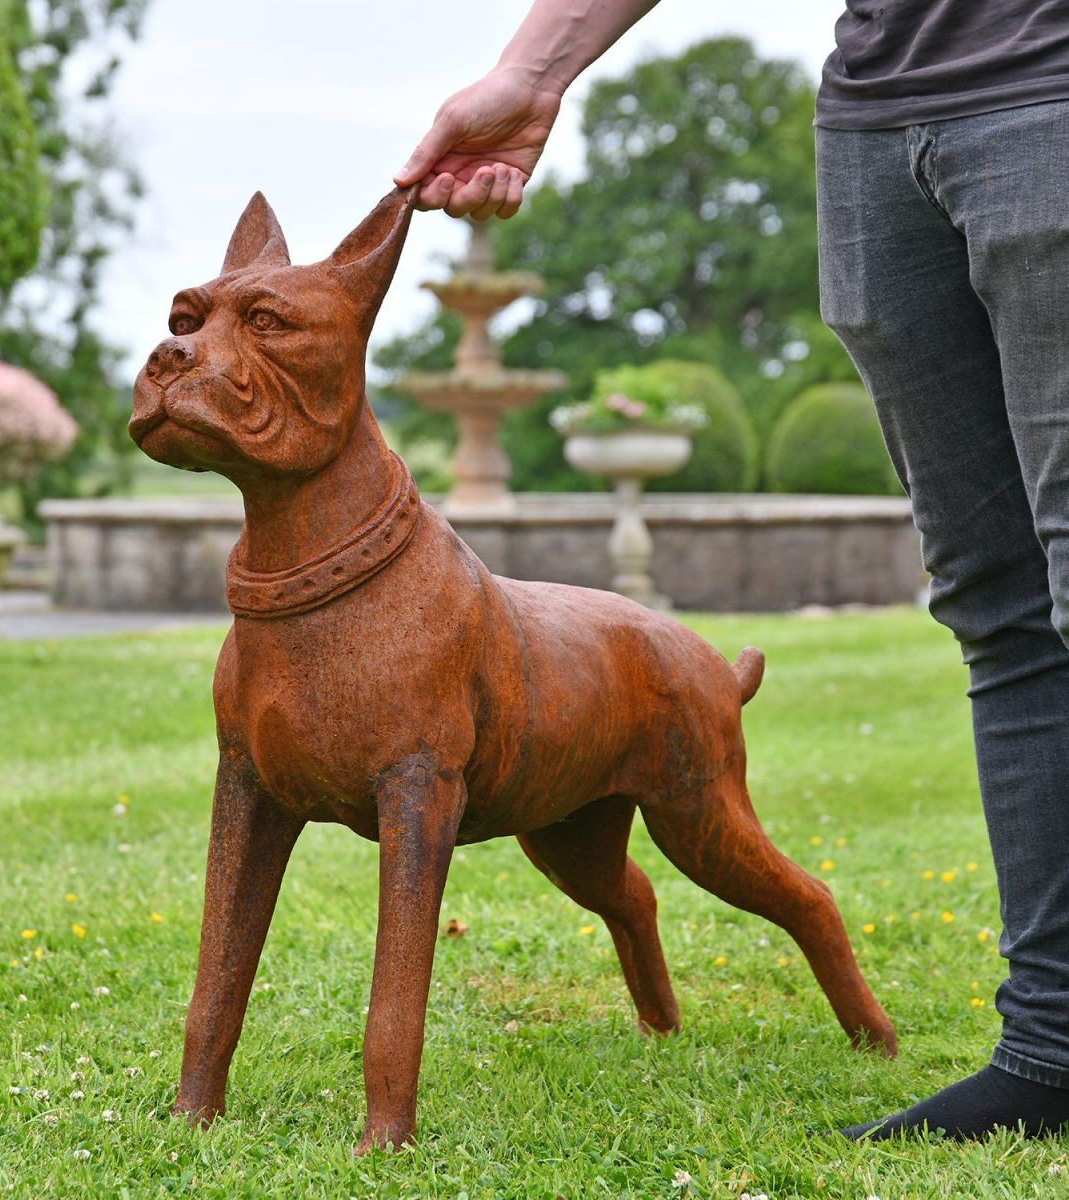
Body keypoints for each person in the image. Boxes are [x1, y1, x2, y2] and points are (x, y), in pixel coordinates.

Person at [394, 0, 1069, 1141]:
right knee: (997, 608)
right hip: (875, 118)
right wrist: (534, 70)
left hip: (1047, 94)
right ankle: (1052, 1048)